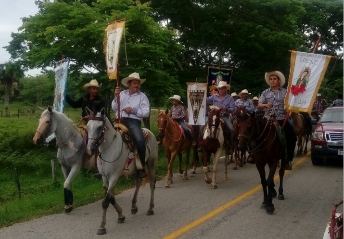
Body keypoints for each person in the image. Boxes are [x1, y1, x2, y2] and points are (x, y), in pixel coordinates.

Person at [251, 71, 296, 170]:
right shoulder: (265, 92)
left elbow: (290, 104)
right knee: (255, 132)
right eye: (271, 79)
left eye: (274, 79)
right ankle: (253, 154)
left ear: (279, 81)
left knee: (291, 135)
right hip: (268, 119)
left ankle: (287, 159)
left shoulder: (285, 92)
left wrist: (290, 110)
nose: (272, 81)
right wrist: (266, 105)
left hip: (282, 119)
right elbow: (258, 105)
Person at [112, 72, 149, 179]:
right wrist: (116, 96)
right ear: (129, 84)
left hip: (133, 121)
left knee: (140, 140)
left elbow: (146, 112)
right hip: (120, 120)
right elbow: (114, 107)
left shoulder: (142, 97)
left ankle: (141, 167)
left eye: (138, 83)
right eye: (134, 83)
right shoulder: (122, 94)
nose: (136, 85)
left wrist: (133, 110)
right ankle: (101, 166)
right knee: (103, 135)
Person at [65, 79, 105, 178]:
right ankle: (69, 157)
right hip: (84, 122)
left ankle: (97, 166)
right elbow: (74, 104)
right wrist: (65, 95)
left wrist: (91, 117)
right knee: (72, 135)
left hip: (95, 123)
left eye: (96, 89)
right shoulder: (84, 98)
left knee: (94, 139)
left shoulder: (100, 100)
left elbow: (100, 113)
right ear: (89, 89)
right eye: (93, 89)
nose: (95, 91)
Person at [198, 81, 235, 152]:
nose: (220, 90)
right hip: (214, 116)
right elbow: (205, 100)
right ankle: (201, 143)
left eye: (222, 88)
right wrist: (201, 94)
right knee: (202, 126)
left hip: (224, 116)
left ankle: (229, 145)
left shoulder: (230, 98)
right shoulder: (214, 96)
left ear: (226, 89)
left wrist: (226, 109)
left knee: (231, 129)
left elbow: (233, 109)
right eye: (219, 89)